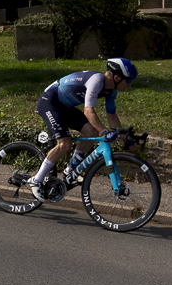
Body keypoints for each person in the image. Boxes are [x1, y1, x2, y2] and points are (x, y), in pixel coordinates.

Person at [26, 57, 139, 201]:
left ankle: (70, 170)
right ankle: (36, 180)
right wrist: (105, 131)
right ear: (116, 77)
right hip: (50, 102)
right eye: (128, 81)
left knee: (91, 132)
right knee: (65, 143)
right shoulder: (96, 81)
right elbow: (88, 111)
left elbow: (111, 116)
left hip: (65, 107)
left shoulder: (111, 90)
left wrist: (124, 138)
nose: (129, 85)